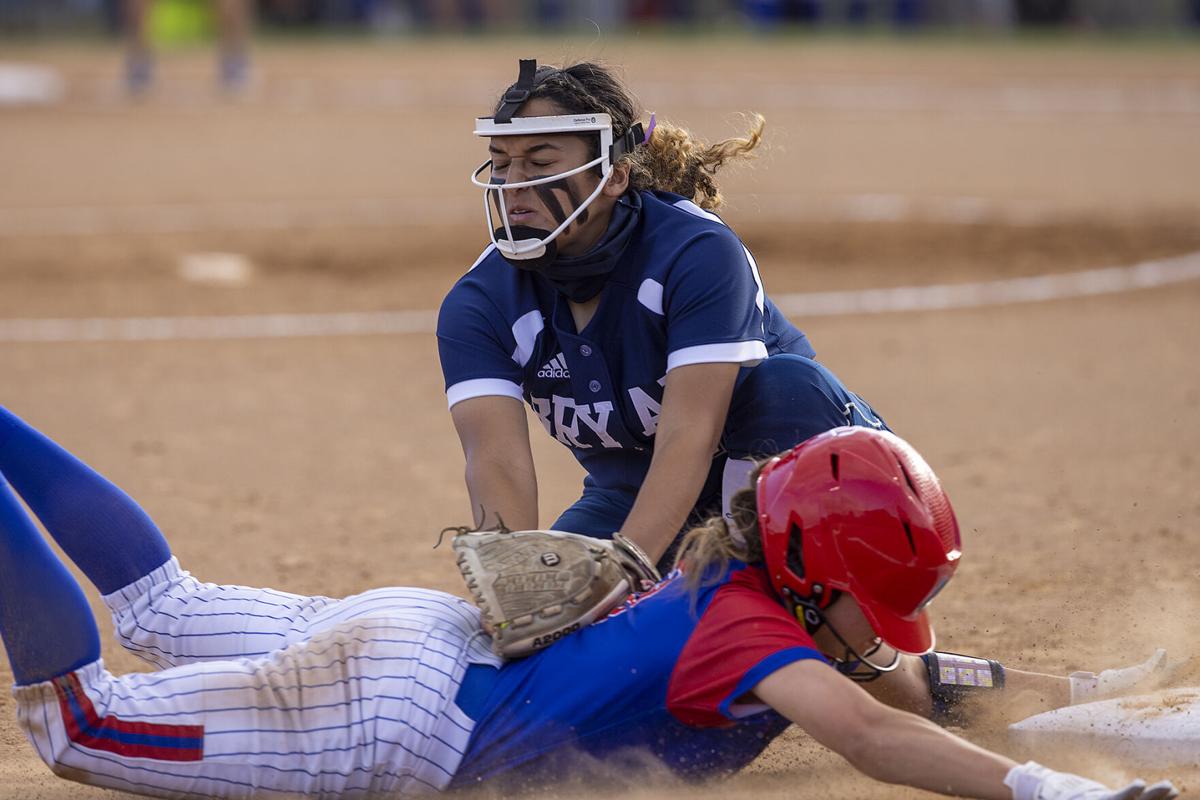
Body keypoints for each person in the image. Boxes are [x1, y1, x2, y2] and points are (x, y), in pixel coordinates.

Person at [0, 406, 1178, 799]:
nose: (884, 630)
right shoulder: (757, 636)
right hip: (401, 719)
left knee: (164, 601)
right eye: (874, 601)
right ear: (815, 574)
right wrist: (1046, 790)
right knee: (78, 719)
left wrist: (1095, 703)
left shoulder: (734, 571)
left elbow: (922, 686)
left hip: (430, 637)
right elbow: (876, 731)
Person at [438, 59, 888, 571]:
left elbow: (688, 436)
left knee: (788, 384)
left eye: (540, 163)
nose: (513, 183)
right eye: (501, 161)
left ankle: (856, 635)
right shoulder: (481, 300)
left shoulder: (694, 251)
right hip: (635, 498)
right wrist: (515, 578)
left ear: (613, 177)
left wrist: (626, 566)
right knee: (555, 601)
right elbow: (496, 461)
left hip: (815, 486)